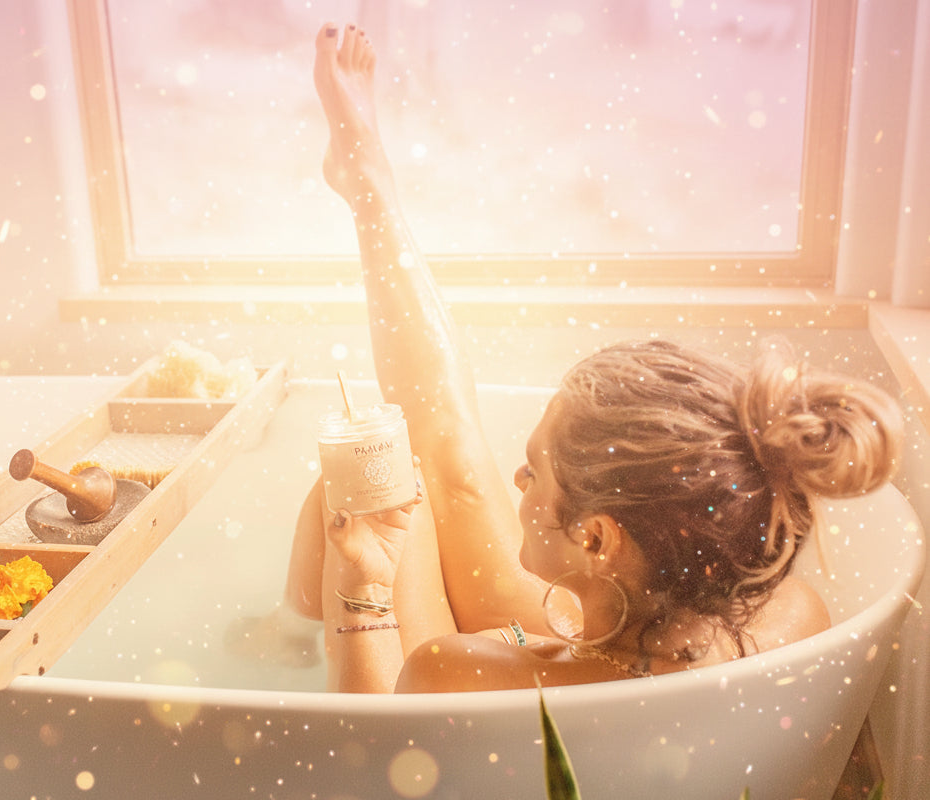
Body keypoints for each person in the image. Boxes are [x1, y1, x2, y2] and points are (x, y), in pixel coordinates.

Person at [281, 22, 904, 694]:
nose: (518, 478)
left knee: (374, 480)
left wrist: (363, 584)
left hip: (533, 669)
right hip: (607, 633)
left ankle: (283, 635)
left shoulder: (452, 673)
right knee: (447, 460)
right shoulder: (788, 616)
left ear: (600, 540)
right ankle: (370, 186)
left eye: (535, 473)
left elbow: (368, 754)